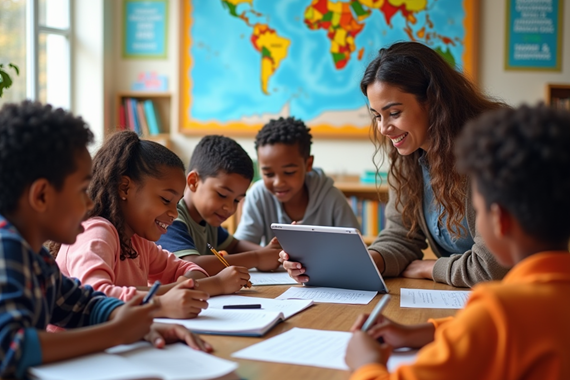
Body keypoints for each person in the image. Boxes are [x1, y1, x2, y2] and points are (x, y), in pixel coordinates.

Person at [345, 104, 570, 380]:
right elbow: (498, 329)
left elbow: (492, 326)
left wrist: (366, 364)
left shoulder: (498, 311)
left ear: (500, 219)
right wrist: (425, 331)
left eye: (477, 207)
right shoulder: (534, 303)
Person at [0, 101, 210, 379]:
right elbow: (11, 350)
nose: (89, 203)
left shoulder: (34, 257)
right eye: (81, 190)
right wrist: (116, 332)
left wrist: (142, 324)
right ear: (41, 196)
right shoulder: (7, 251)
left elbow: (81, 303)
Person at [282, 41, 510, 287]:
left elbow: (492, 268)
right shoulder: (410, 155)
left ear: (433, 101)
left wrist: (431, 268)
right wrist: (364, 261)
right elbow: (402, 236)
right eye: (377, 116)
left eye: (394, 113)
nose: (383, 128)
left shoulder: (495, 151)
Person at [55, 131, 250, 321]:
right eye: (166, 200)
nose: (174, 213)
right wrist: (213, 284)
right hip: (80, 351)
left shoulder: (137, 240)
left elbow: (185, 267)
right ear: (125, 188)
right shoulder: (96, 233)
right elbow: (97, 298)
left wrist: (189, 283)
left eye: (177, 202)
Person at [157, 135, 281, 276]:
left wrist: (269, 252)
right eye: (222, 194)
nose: (230, 208)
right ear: (193, 182)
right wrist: (257, 258)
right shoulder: (171, 218)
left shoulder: (207, 220)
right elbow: (190, 265)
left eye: (237, 200)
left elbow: (234, 245)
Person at [234, 116, 360, 245]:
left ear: (308, 164)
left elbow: (354, 247)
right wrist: (268, 255)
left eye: (289, 172)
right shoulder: (258, 195)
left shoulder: (332, 198)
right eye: (268, 174)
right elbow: (242, 244)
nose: (278, 182)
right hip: (274, 266)